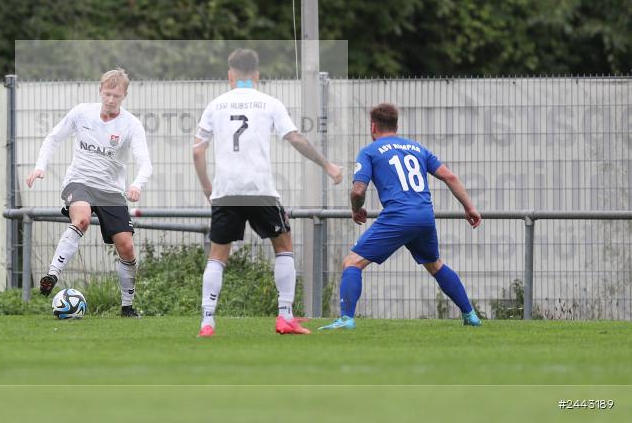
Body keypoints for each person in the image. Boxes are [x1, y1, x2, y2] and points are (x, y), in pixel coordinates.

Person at [193, 49, 344, 337]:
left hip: (226, 192)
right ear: (257, 75)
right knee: (283, 245)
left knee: (217, 254)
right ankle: (285, 316)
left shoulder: (216, 105)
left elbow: (198, 150)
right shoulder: (269, 103)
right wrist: (327, 165)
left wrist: (208, 188)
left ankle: (207, 321)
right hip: (260, 190)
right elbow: (295, 138)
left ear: (230, 75)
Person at [319, 102, 482, 331]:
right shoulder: (418, 148)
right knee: (435, 265)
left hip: (398, 216)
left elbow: (358, 190)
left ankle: (346, 319)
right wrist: (469, 207)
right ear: (397, 125)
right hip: (425, 216)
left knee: (351, 263)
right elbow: (450, 177)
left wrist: (356, 209)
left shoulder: (369, 151)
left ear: (372, 126)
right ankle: (470, 315)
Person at [26, 68, 152, 317]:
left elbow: (145, 162)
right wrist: (40, 167)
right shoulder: (82, 112)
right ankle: (52, 275)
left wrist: (137, 184)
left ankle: (127, 307)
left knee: (126, 247)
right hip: (79, 181)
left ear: (124, 95)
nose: (111, 99)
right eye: (107, 94)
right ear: (100, 91)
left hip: (111, 190)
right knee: (81, 219)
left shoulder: (131, 125)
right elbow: (52, 138)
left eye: (116, 95)